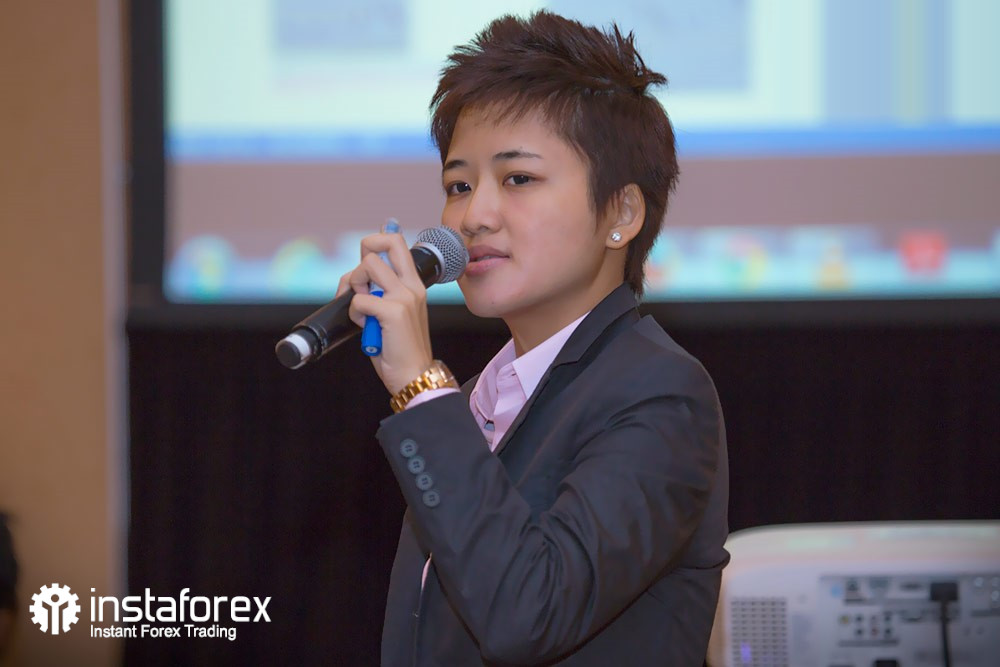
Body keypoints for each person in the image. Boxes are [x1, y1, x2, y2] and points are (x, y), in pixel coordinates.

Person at [338, 10, 729, 666]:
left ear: (621, 212)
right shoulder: (474, 400)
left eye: (517, 179)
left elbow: (528, 614)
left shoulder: (662, 393)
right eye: (458, 185)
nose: (473, 215)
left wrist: (417, 385)